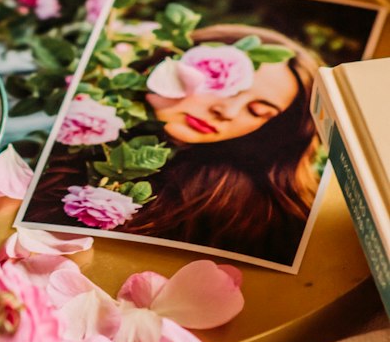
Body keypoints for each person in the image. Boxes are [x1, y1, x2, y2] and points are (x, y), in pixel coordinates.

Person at [31, 24, 322, 266]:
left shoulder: (233, 206)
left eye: (257, 111)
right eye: (224, 84)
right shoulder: (73, 109)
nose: (228, 111)